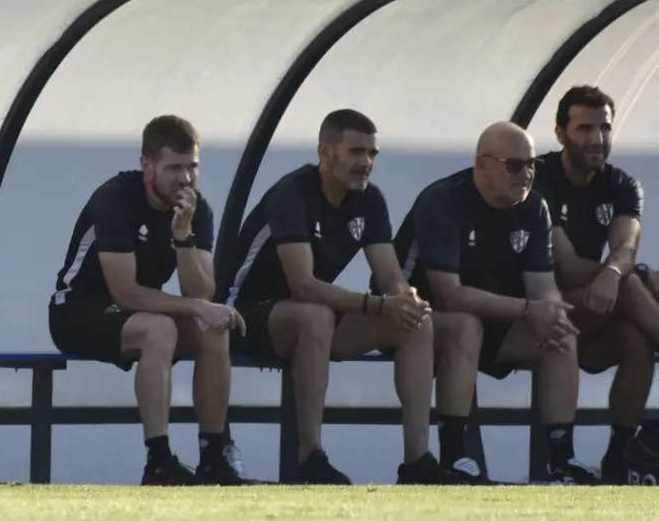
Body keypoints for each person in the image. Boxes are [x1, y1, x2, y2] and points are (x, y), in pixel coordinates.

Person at [221, 109, 460, 485]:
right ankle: (310, 458)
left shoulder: (368, 200)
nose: (366, 163)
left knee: (417, 324)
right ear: (325, 152)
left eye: (372, 154)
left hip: (314, 317)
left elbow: (390, 277)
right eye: (356, 152)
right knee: (314, 315)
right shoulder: (291, 194)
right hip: (244, 314)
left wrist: (405, 300)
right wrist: (380, 305)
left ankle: (417, 462)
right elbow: (302, 283)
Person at [392, 120, 600, 484]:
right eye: (515, 165)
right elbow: (447, 293)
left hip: (493, 316)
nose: (526, 174)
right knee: (464, 325)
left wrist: (549, 309)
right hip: (416, 319)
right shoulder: (443, 200)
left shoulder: (535, 208)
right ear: (482, 164)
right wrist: (526, 309)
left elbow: (542, 286)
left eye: (532, 165)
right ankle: (455, 457)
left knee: (561, 334)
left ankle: (562, 460)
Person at [48, 115, 251, 486]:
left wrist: (184, 237)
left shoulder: (195, 210)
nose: (185, 179)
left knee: (213, 327)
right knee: (159, 329)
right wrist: (194, 308)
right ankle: (159, 463)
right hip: (78, 308)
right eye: (174, 167)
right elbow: (124, 291)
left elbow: (201, 292)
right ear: (146, 165)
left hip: (139, 310)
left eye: (192, 167)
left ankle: (213, 456)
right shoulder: (115, 199)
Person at [532, 85, 659, 483]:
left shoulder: (621, 185)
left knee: (636, 339)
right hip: (532, 312)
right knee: (634, 286)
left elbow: (625, 249)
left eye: (604, 127)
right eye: (585, 128)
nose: (597, 138)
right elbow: (565, 267)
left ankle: (620, 458)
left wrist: (617, 274)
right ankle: (567, 459)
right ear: (560, 133)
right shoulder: (537, 178)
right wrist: (625, 277)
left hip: (592, 314)